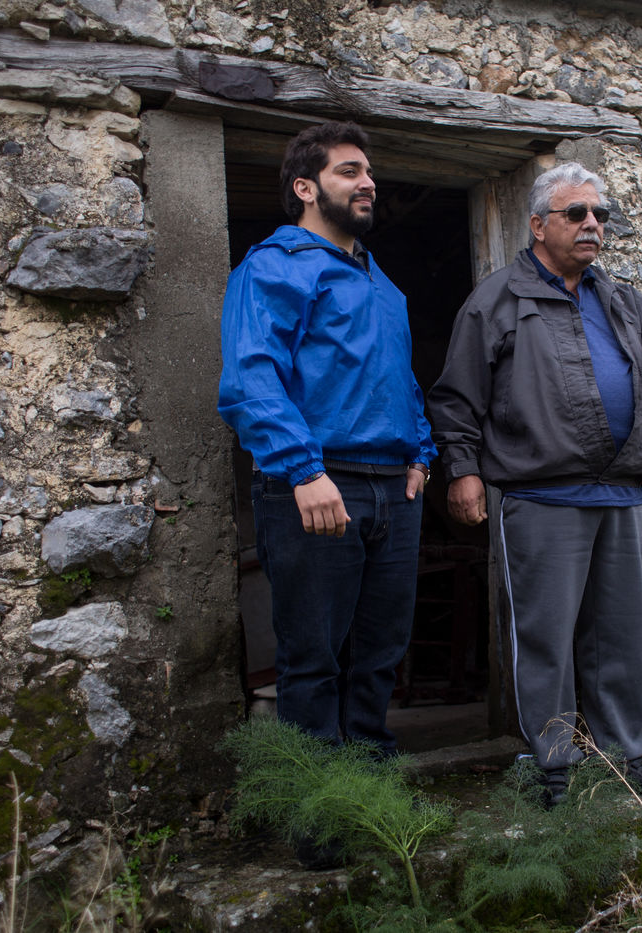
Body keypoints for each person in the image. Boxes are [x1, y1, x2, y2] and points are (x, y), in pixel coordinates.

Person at [428, 161, 642, 805]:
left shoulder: (617, 297)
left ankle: (624, 756)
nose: (593, 225)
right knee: (545, 638)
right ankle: (553, 763)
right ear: (538, 225)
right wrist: (463, 470)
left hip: (619, 494)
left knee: (620, 636)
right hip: (542, 495)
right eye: (577, 213)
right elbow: (456, 398)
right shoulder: (497, 300)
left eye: (600, 215)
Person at [218, 121, 435, 760]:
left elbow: (399, 376)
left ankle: (369, 786)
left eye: (369, 172)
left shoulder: (380, 282)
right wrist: (303, 472)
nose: (368, 183)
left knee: (380, 653)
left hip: (394, 488)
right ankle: (318, 802)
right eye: (349, 171)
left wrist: (420, 453)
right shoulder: (274, 267)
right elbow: (251, 378)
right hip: (317, 481)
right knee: (313, 658)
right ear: (305, 188)